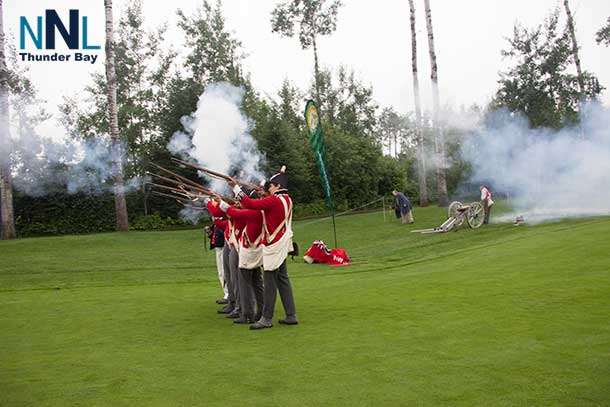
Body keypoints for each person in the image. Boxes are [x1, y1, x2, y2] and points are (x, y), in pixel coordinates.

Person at [232, 166, 298, 330]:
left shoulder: (274, 200)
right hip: (282, 243)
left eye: (271, 185)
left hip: (273, 245)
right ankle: (291, 315)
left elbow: (248, 203)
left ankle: (266, 318)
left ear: (277, 186)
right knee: (283, 279)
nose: (269, 187)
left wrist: (235, 187)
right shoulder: (287, 199)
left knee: (270, 282)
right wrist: (262, 194)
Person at [217, 189, 265, 324]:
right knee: (256, 283)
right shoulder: (260, 211)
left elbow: (233, 212)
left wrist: (220, 201)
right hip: (254, 250)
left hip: (248, 252)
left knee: (244, 283)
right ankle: (260, 311)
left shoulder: (253, 212)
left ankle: (247, 314)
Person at [206, 200, 244, 318]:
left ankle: (240, 307)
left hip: (236, 244)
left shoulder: (240, 212)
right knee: (229, 275)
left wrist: (210, 202)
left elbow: (223, 212)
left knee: (236, 278)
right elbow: (222, 220)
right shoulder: (231, 215)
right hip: (229, 242)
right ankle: (233, 303)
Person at [207, 220, 228, 305]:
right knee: (221, 273)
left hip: (223, 247)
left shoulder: (223, 219)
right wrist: (210, 234)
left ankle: (228, 295)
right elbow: (215, 235)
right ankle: (227, 293)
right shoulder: (218, 220)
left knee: (224, 272)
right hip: (218, 248)